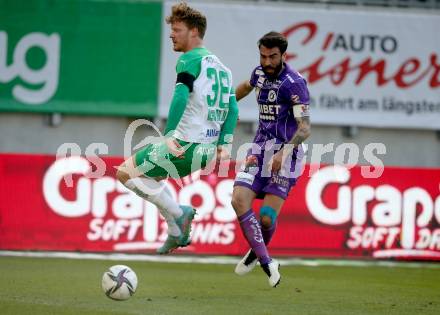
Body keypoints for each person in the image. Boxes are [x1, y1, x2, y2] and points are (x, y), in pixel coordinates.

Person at [116, 2, 238, 255]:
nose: (172, 34)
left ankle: (178, 214)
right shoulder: (223, 70)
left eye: (178, 29)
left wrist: (170, 135)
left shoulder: (189, 59)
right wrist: (224, 145)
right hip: (207, 150)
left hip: (185, 144)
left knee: (126, 173)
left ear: (194, 32)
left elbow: (180, 97)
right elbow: (233, 110)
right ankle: (175, 230)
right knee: (153, 178)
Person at [231, 31, 311, 287]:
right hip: (258, 149)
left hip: (287, 154)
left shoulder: (294, 83)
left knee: (266, 218)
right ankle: (267, 262)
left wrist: (284, 152)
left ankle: (257, 253)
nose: (267, 62)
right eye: (263, 56)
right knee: (238, 199)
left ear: (283, 55)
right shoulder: (259, 74)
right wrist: (224, 108)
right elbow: (243, 89)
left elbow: (305, 128)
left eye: (272, 57)